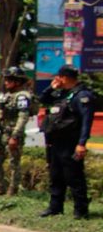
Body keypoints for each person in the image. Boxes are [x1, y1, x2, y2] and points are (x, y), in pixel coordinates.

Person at [39, 64, 93, 219]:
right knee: (56, 175)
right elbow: (43, 100)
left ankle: (81, 210)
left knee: (74, 177)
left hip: (71, 142)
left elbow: (87, 121)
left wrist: (81, 144)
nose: (57, 79)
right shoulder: (61, 94)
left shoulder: (82, 96)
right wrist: (51, 88)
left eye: (59, 77)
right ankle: (55, 207)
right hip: (56, 142)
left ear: (65, 78)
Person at [0, 67, 33, 196]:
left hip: (13, 134)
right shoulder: (5, 96)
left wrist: (15, 136)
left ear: (17, 82)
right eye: (6, 80)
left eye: (9, 80)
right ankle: (0, 189)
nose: (6, 83)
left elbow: (23, 117)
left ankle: (13, 191)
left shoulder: (22, 97)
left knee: (14, 163)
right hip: (1, 133)